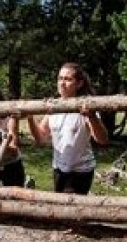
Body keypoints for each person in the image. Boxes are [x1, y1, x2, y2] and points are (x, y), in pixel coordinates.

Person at [27, 62, 109, 194]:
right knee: (64, 208)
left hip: (80, 170)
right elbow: (40, 138)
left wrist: (92, 117)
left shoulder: (86, 106)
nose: (62, 83)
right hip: (59, 169)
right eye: (60, 78)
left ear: (79, 83)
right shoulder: (53, 106)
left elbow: (102, 140)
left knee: (70, 209)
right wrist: (30, 118)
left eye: (67, 79)